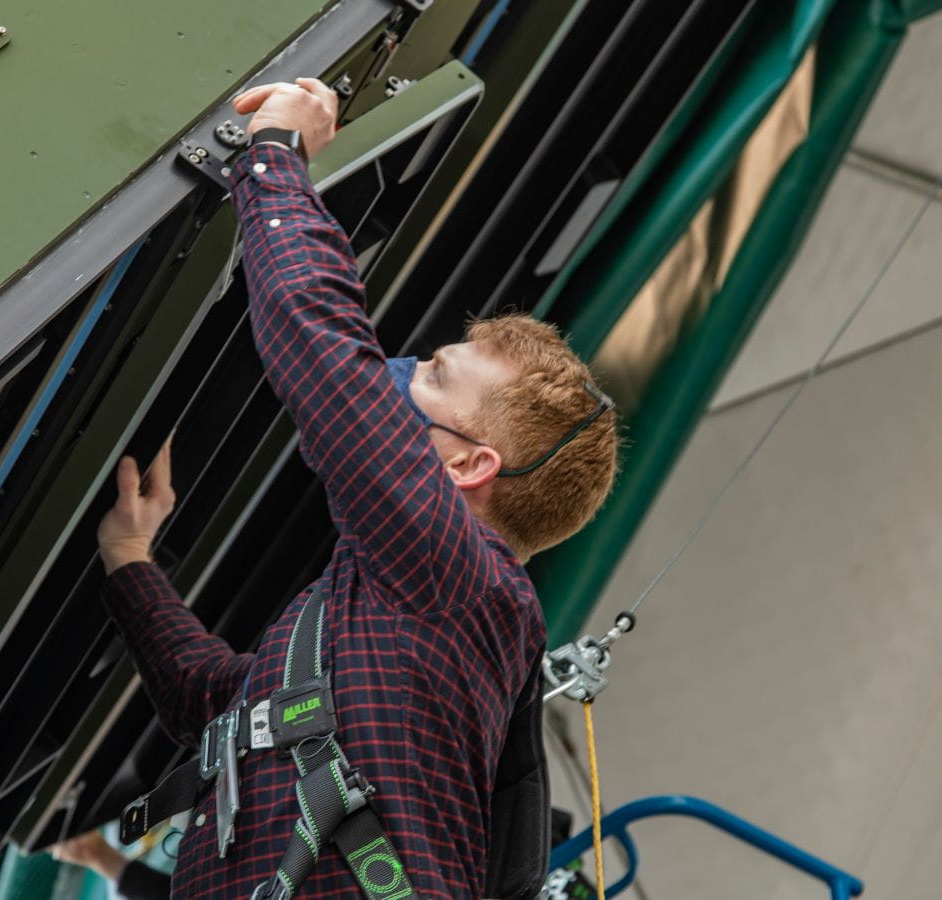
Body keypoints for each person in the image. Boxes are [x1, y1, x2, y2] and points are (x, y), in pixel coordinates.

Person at [93, 77, 618, 896]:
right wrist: (130, 557)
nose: (400, 373)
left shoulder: (459, 577)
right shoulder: (400, 609)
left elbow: (323, 350)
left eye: (434, 374)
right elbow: (221, 702)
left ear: (467, 465)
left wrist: (275, 155)